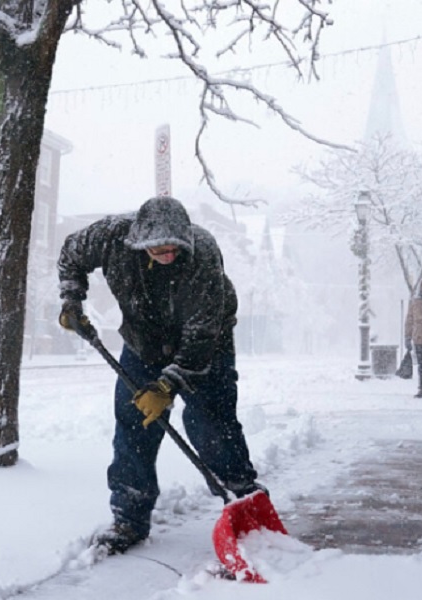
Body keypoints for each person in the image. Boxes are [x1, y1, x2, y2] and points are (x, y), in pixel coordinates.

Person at [56, 196, 264, 555]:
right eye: (158, 248)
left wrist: (167, 386)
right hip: (143, 342)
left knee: (210, 422)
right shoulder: (110, 237)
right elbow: (71, 253)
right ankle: (129, 517)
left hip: (206, 343)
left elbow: (201, 334)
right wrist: (72, 301)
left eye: (173, 248)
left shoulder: (203, 254)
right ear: (138, 239)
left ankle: (246, 502)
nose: (167, 254)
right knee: (134, 424)